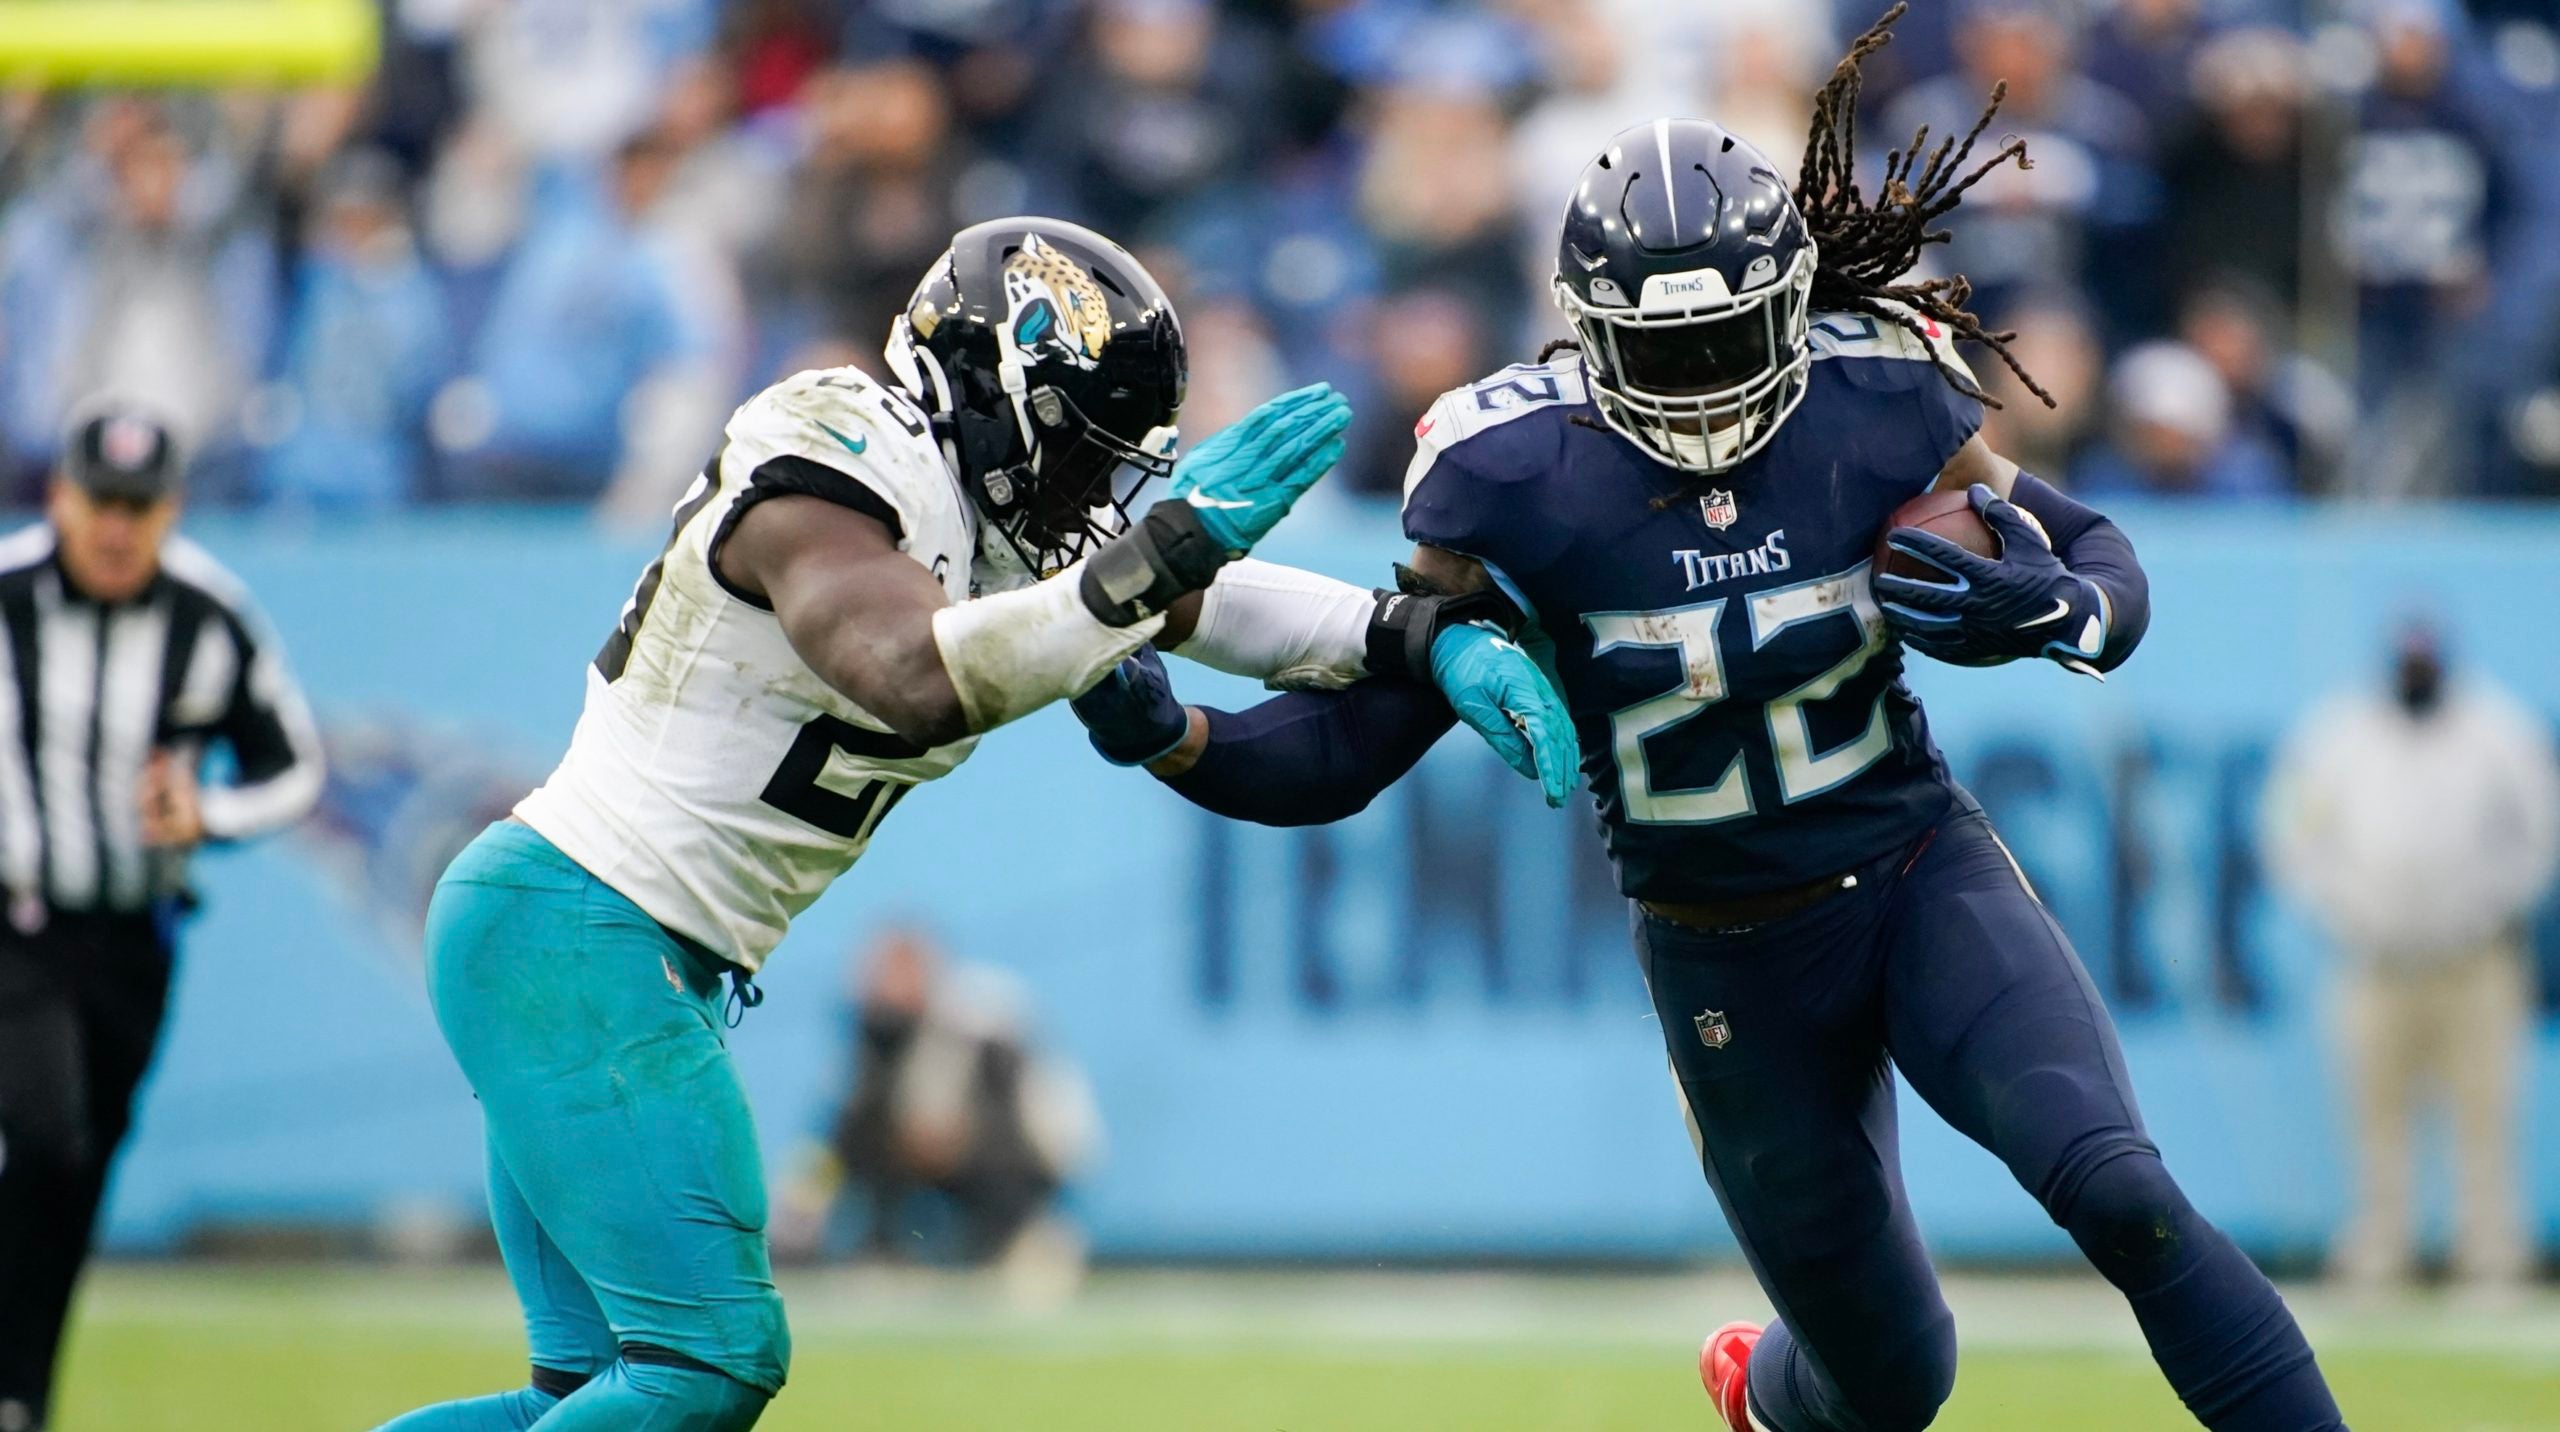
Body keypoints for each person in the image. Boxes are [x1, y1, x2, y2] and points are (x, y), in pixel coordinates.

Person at [1070, 12, 2348, 1431]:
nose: (1703, 380)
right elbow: (1355, 746)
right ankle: (1765, 1396)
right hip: (1724, 947)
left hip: (1919, 873)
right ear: (1584, 331)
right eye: (1661, 348)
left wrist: (2062, 614)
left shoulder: (1878, 387)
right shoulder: (1507, 477)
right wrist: (1170, 737)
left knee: (2125, 1194)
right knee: (1887, 1384)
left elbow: (2097, 552)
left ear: (1791, 302)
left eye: (1733, 333)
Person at [367, 216, 1557, 1432]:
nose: (1097, 493)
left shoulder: (992, 518)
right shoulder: (834, 442)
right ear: (999, 389)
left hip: (601, 945)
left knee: (591, 1397)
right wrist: (1153, 555)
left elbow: (1218, 606)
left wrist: (1417, 635)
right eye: (1084, 454)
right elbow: (907, 668)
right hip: (580, 930)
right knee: (704, 1365)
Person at [0, 399, 324, 1432]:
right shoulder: (5, 599)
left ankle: (21, 1392)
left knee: (79, 1168)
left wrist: (209, 813)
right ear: (59, 495)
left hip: (135, 935)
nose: (114, 528)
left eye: (138, 508)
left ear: (171, 512)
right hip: (15, 922)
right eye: (100, 501)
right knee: (46, 1136)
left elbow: (294, 765)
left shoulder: (209, 614)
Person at [2263, 620, 2560, 1296]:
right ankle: (2381, 1250)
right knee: (2374, 1112)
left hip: (2475, 958)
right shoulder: (2338, 733)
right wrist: (2336, 907)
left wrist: (2491, 904)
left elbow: (2541, 832)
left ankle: (2490, 1256)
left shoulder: (2499, 730)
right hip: (2374, 959)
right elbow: (2289, 828)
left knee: (2485, 1110)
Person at [772, 927, 1097, 1287]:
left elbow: (1037, 1125)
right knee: (868, 1143)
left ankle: (1022, 1242)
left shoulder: (984, 1023)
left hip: (1022, 1155)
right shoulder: (873, 1035)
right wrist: (796, 1220)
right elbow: (836, 1135)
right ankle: (886, 1251)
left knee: (1002, 1177)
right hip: (930, 1161)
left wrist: (947, 1133)